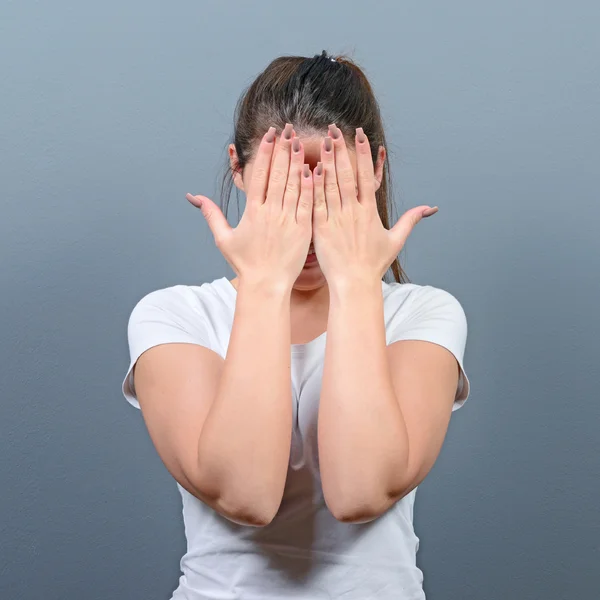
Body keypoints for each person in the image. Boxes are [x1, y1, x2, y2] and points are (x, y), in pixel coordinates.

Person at [122, 50, 470, 600]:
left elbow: (360, 492)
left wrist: (357, 282)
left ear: (373, 171)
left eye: (331, 187)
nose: (307, 217)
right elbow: (247, 495)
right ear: (238, 169)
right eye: (282, 188)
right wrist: (263, 281)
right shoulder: (175, 316)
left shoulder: (422, 314)